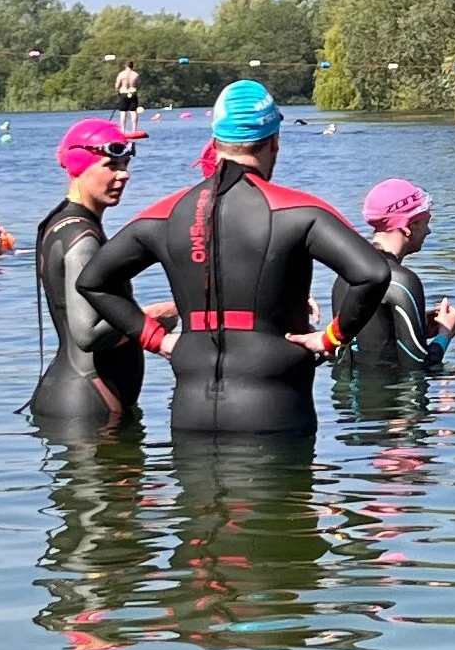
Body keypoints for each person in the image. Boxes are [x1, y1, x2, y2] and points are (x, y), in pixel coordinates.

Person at [77, 79, 391, 435]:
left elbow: (93, 281)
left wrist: (156, 339)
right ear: (274, 142)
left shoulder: (166, 213)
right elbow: (373, 274)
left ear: (214, 143)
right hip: (274, 412)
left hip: (190, 413)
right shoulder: (298, 210)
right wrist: (331, 337)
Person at [30, 119, 168, 428]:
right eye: (111, 166)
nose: (124, 175)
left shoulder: (59, 222)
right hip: (91, 405)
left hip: (75, 396)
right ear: (81, 165)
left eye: (126, 165)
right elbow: (88, 333)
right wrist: (153, 317)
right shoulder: (84, 239)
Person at [330, 179, 455, 373]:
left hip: (350, 402)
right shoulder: (401, 282)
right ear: (408, 226)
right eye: (425, 222)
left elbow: (352, 354)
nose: (428, 231)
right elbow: (417, 366)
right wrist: (445, 334)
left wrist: (418, 326)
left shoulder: (345, 276)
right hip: (396, 401)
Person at [114, 60, 141, 135]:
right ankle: (134, 129)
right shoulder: (135, 74)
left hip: (123, 93)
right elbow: (138, 84)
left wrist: (117, 93)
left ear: (125, 66)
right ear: (132, 66)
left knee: (123, 112)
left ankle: (123, 130)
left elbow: (117, 85)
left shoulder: (121, 74)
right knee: (133, 112)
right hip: (132, 93)